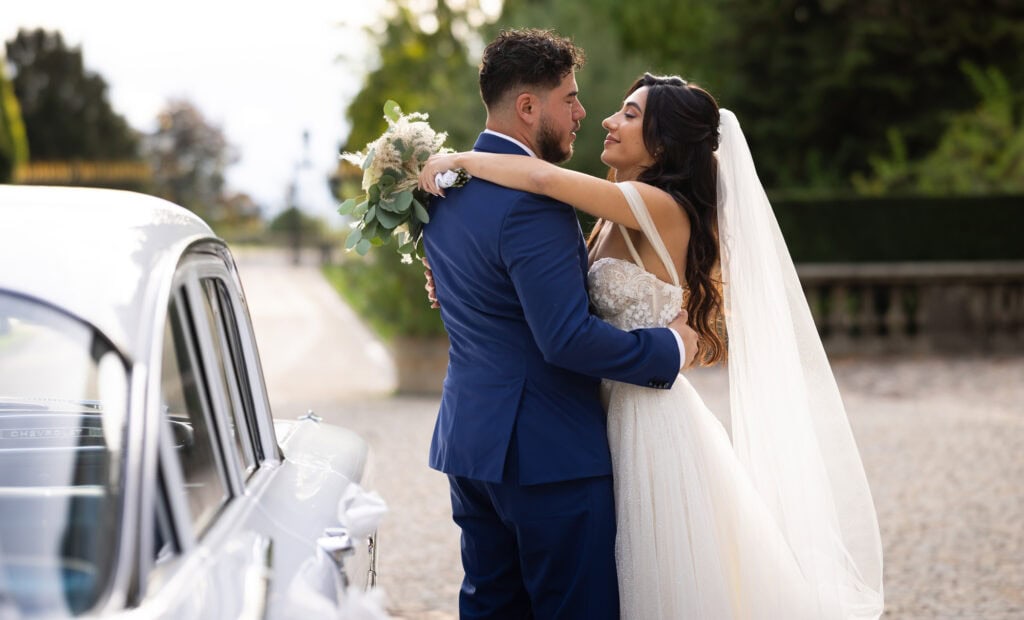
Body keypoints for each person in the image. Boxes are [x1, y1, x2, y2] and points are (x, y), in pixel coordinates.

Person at [419, 73, 886, 618]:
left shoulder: (656, 204)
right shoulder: (606, 220)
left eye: (630, 115)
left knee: (657, 583)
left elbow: (543, 180)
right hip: (596, 414)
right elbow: (553, 296)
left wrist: (465, 161)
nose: (607, 121)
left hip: (645, 418)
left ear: (662, 144)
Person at [419, 30, 700, 619]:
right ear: (528, 107)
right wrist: (669, 350)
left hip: (472, 441)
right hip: (548, 455)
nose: (584, 113)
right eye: (569, 98)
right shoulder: (533, 203)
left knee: (492, 606)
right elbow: (566, 336)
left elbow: (478, 296)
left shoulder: (442, 192)